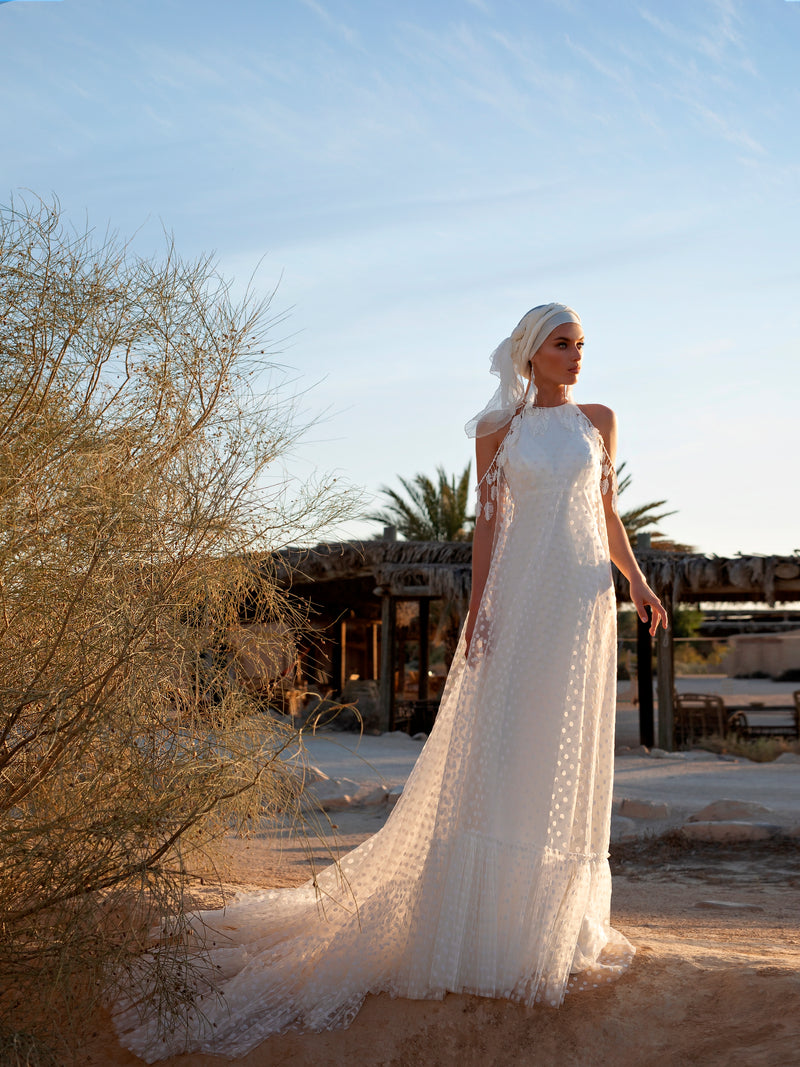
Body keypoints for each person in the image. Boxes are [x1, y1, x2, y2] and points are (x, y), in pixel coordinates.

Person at [116, 302, 668, 1063]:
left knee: (566, 753)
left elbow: (608, 512)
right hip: (520, 602)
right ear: (531, 353)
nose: (577, 356)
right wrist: (477, 610)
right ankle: (488, 929)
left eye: (582, 344)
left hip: (581, 601)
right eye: (563, 344)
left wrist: (636, 582)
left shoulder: (600, 420)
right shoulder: (495, 432)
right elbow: (488, 528)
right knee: (507, 749)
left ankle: (556, 925)